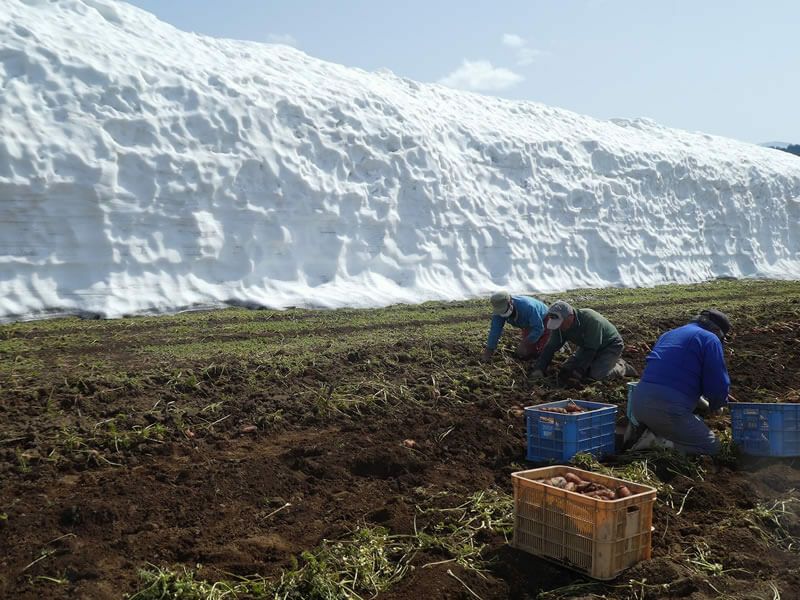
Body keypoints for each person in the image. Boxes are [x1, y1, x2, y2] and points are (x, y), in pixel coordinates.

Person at [628, 309, 732, 455]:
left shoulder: (669, 334)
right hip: (666, 408)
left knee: (682, 424)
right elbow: (717, 381)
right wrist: (718, 404)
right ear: (716, 330)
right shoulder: (710, 338)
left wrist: (704, 405)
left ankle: (652, 432)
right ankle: (655, 442)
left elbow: (674, 379)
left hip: (638, 403)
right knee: (713, 447)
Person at [529, 300, 636, 383]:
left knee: (596, 376)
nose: (559, 327)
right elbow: (550, 348)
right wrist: (539, 368)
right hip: (587, 346)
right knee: (566, 369)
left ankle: (621, 366)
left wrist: (580, 370)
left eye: (561, 323)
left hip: (610, 345)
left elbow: (591, 350)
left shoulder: (591, 320)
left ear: (570, 317)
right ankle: (599, 364)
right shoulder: (560, 328)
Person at [481, 291, 550, 362]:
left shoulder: (527, 307)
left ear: (510, 302)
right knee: (527, 352)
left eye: (504, 310)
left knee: (543, 349)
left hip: (544, 318)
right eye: (501, 311)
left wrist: (525, 342)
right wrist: (489, 350)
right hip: (527, 325)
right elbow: (495, 331)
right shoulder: (498, 313)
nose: (503, 313)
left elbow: (539, 328)